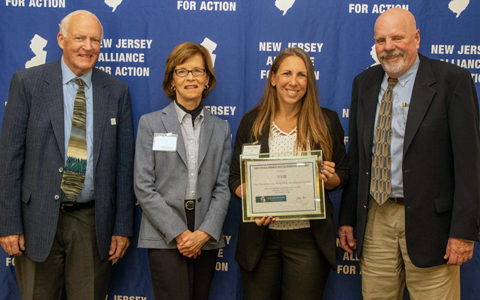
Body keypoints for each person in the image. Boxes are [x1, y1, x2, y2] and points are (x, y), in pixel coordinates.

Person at [338, 8, 480, 300]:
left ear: (416, 38)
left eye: (396, 38)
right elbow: (358, 158)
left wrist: (464, 232)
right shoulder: (363, 84)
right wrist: (348, 219)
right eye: (381, 40)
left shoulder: (452, 81)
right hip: (375, 217)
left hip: (433, 226)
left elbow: (470, 163)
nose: (388, 47)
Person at [0, 10, 135, 300]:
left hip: (92, 223)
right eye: (80, 38)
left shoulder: (117, 91)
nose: (88, 46)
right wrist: (9, 223)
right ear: (61, 39)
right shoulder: (28, 83)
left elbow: (124, 165)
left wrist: (122, 227)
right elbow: (10, 158)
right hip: (36, 221)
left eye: (95, 40)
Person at [229, 47, 348, 299]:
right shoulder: (251, 122)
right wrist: (254, 202)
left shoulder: (326, 121)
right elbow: (234, 179)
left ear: (310, 81)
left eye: (302, 75)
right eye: (286, 73)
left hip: (308, 240)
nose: (293, 82)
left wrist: (329, 177)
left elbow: (343, 174)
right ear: (273, 78)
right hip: (260, 239)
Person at [134, 42, 231, 300]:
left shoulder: (221, 129)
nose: (191, 77)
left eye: (198, 71)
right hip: (163, 231)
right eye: (182, 71)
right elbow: (143, 186)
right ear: (171, 80)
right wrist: (179, 233)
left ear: (207, 80)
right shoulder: (151, 123)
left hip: (205, 232)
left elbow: (222, 187)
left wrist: (204, 232)